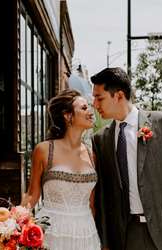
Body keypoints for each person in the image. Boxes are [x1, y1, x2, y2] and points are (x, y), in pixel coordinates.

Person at [90, 67, 162, 250]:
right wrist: (105, 240)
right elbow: (104, 195)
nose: (95, 104)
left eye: (99, 97)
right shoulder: (100, 139)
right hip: (125, 234)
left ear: (118, 96)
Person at [21, 89, 101, 250]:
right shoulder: (44, 150)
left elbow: (92, 204)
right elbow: (32, 195)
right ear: (67, 115)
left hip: (86, 234)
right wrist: (11, 225)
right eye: (84, 108)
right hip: (51, 232)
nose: (91, 112)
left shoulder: (92, 155)